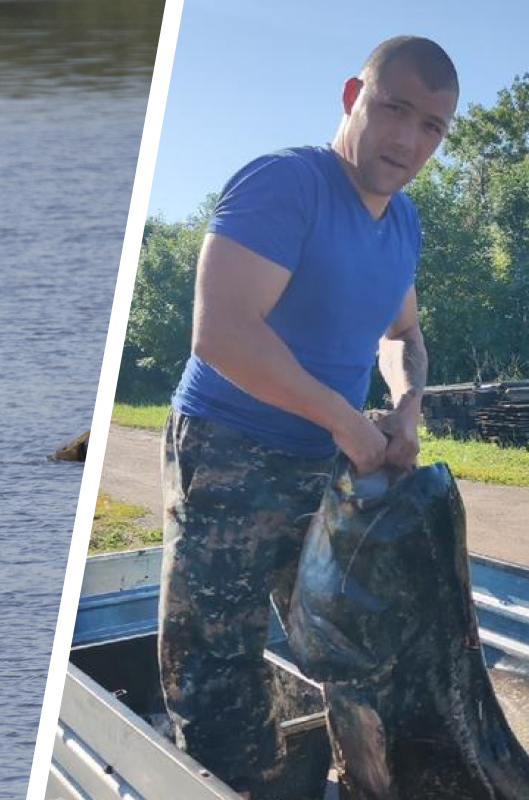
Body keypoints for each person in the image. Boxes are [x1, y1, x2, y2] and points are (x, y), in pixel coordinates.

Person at [158, 36, 459, 798]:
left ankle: (363, 785)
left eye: (432, 126)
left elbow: (403, 335)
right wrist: (347, 424)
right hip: (230, 455)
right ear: (352, 96)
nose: (408, 140)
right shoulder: (286, 184)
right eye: (394, 110)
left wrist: (405, 404)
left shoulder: (403, 223)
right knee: (217, 665)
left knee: (358, 644)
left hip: (332, 461)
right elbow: (223, 332)